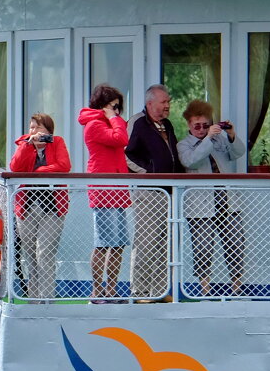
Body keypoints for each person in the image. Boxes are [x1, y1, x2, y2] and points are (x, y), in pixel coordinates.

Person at [177, 100, 247, 296]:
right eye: (196, 126)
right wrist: (208, 138)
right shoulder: (183, 145)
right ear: (189, 125)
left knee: (236, 243)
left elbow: (239, 153)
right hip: (201, 204)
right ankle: (205, 289)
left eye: (205, 125)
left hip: (228, 200)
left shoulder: (220, 139)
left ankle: (237, 288)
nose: (201, 129)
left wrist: (231, 135)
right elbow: (191, 160)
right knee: (203, 246)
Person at [125, 84, 182, 302]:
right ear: (150, 103)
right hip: (148, 191)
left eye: (168, 102)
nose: (167, 106)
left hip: (169, 191)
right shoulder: (138, 122)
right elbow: (127, 154)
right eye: (164, 102)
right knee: (146, 241)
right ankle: (139, 292)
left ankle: (158, 291)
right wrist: (149, 173)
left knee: (164, 243)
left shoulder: (167, 125)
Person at [8, 113, 71, 300]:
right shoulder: (24, 144)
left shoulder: (57, 142)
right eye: (31, 127)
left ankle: (46, 299)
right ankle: (33, 299)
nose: (34, 131)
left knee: (45, 252)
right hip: (26, 207)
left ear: (49, 132)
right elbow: (15, 167)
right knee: (30, 256)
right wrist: (28, 145)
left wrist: (38, 172)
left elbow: (64, 165)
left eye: (39, 128)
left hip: (52, 208)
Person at [79, 85, 130, 302]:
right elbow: (121, 139)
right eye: (114, 106)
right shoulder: (94, 125)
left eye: (119, 107)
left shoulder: (109, 123)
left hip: (117, 189)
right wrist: (114, 118)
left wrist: (114, 118)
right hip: (103, 191)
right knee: (103, 242)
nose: (117, 111)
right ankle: (97, 290)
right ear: (103, 105)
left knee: (119, 243)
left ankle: (112, 289)